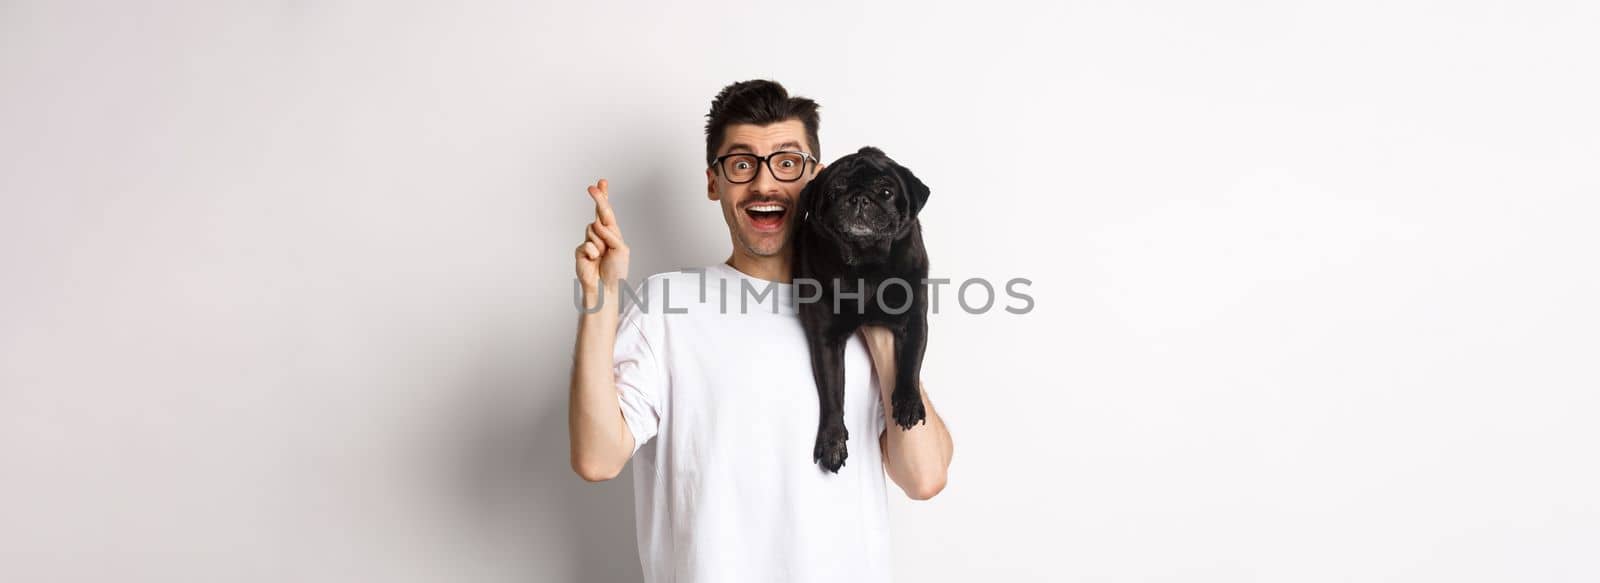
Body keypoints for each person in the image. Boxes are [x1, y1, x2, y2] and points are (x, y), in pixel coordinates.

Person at [568, 79, 954, 583]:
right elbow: (597, 458)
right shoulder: (668, 306)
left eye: (787, 163)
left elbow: (924, 477)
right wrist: (601, 300)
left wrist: (881, 321)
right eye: (742, 164)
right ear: (714, 182)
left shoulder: (866, 309)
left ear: (816, 180)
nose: (766, 184)